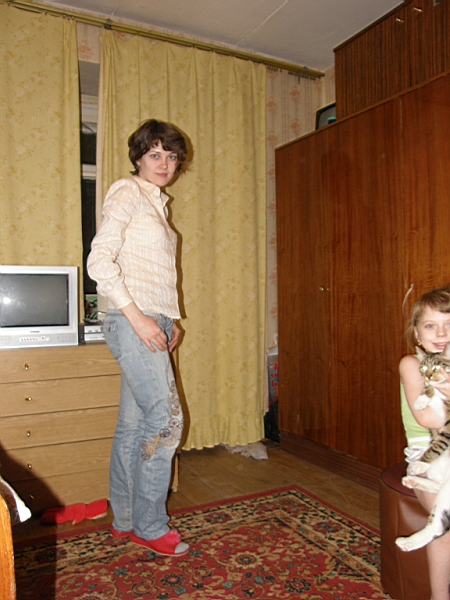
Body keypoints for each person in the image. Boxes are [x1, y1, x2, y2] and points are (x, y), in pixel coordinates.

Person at [87, 119, 189, 557]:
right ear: (139, 158)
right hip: (134, 321)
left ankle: (126, 519)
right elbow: (99, 262)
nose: (164, 163)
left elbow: (151, 270)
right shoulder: (127, 191)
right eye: (155, 154)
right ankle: (150, 526)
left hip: (153, 319)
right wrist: (141, 320)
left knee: (133, 426)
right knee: (166, 422)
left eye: (171, 156)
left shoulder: (156, 203)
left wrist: (170, 319)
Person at [399, 286, 450, 600]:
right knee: (445, 527)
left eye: (449, 325)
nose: (441, 334)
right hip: (429, 453)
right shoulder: (412, 364)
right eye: (431, 325)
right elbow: (430, 420)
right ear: (417, 334)